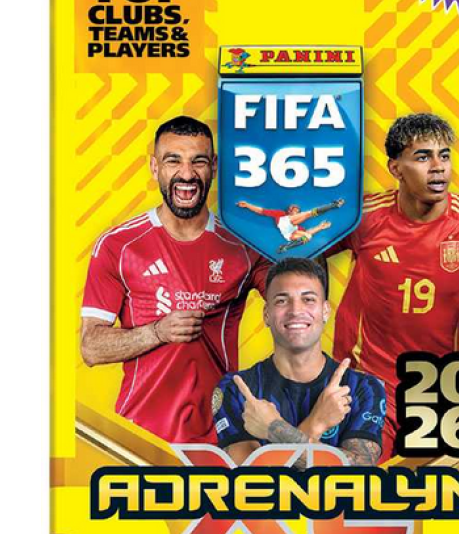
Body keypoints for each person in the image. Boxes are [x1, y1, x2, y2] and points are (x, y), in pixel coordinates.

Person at [80, 116, 267, 444]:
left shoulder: (244, 245)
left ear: (214, 166)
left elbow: (299, 304)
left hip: (220, 438)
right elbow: (91, 348)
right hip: (141, 435)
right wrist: (156, 332)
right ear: (155, 167)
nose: (187, 174)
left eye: (198, 161)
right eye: (173, 161)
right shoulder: (118, 246)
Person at [327, 113, 459, 461]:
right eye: (423, 157)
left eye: (444, 155)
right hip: (368, 384)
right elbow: (301, 250)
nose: (438, 167)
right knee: (354, 470)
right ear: (396, 168)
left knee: (430, 485)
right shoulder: (363, 216)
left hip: (439, 389)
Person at [212, 257, 385, 465]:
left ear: (325, 311)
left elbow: (360, 473)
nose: (295, 311)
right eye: (282, 301)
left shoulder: (364, 388)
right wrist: (316, 423)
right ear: (266, 314)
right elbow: (252, 479)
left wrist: (274, 428)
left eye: (308, 299)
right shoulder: (236, 389)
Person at [236, 198, 346, 253]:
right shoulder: (281, 214)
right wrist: (248, 205)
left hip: (288, 234)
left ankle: (285, 247)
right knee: (308, 214)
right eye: (294, 210)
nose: (296, 212)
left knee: (308, 236)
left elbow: (308, 232)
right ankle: (334, 205)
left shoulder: (298, 226)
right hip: (284, 222)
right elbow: (262, 211)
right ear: (290, 210)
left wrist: (320, 227)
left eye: (297, 211)